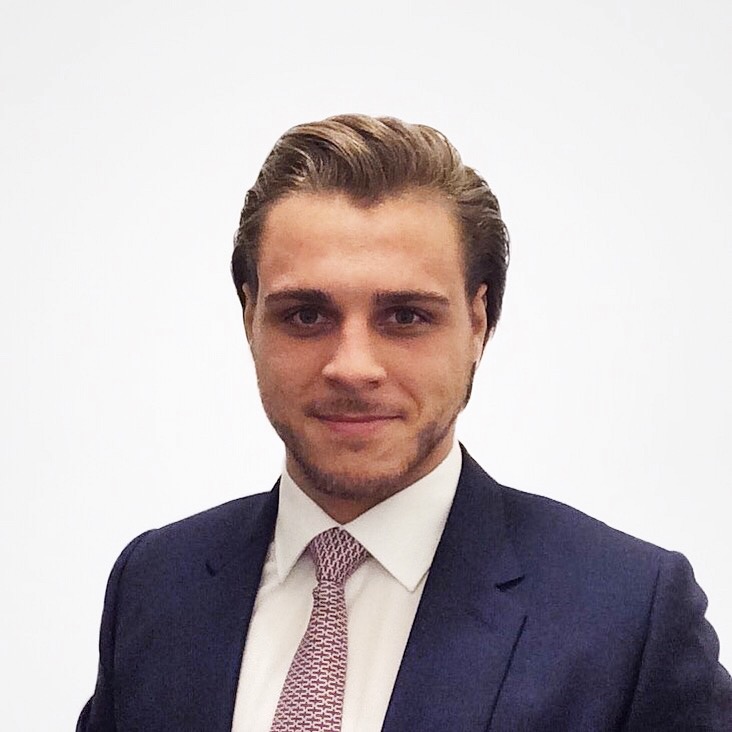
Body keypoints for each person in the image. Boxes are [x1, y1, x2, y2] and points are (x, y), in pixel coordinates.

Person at [77, 114, 732, 731]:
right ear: (250, 318)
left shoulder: (629, 615)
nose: (352, 367)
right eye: (306, 315)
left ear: (478, 323)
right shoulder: (155, 583)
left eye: (406, 316)